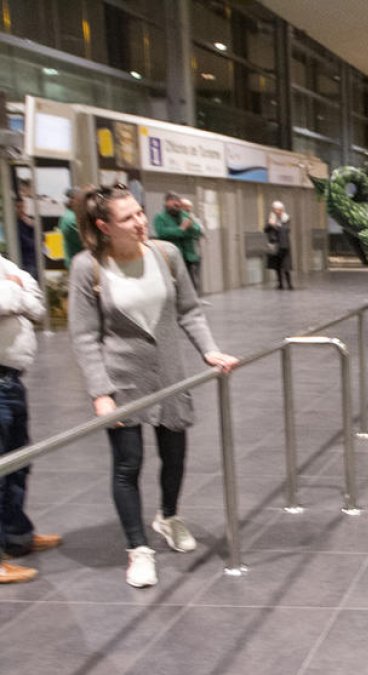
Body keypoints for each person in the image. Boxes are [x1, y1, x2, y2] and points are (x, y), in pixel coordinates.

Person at [68, 184, 238, 588]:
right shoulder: (86, 266)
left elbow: (189, 310)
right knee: (127, 465)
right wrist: (101, 392)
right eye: (128, 218)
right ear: (104, 226)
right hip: (121, 378)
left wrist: (209, 351)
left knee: (175, 456)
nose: (140, 222)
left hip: (169, 373)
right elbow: (85, 336)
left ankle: (168, 516)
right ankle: (137, 549)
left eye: (140, 213)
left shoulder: (167, 254)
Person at [0, 252, 61, 583]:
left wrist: (15, 293)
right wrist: (14, 293)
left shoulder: (4, 264)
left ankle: (16, 536)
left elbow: (37, 304)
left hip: (11, 379)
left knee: (17, 462)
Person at [152, 191, 204, 294]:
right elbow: (162, 233)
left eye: (178, 203)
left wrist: (191, 228)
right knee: (175, 285)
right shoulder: (160, 217)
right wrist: (181, 230)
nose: (177, 206)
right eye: (174, 203)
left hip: (188, 256)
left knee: (191, 284)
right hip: (171, 257)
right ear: (167, 203)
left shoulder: (184, 214)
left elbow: (198, 230)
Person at [264, 200, 293, 290]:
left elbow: (285, 230)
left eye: (278, 209)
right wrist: (269, 224)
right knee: (277, 266)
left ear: (281, 210)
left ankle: (289, 284)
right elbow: (265, 229)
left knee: (286, 267)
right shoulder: (271, 218)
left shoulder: (286, 218)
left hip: (284, 246)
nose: (276, 211)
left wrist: (275, 225)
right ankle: (280, 284)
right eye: (275, 209)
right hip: (275, 245)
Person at [59, 187, 86, 267]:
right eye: (81, 199)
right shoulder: (71, 219)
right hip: (78, 265)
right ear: (72, 201)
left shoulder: (73, 216)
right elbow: (87, 241)